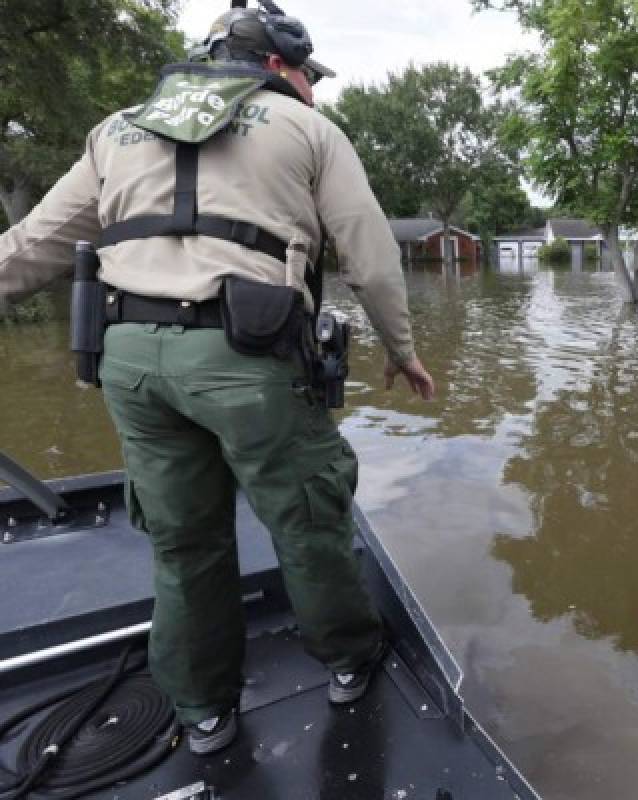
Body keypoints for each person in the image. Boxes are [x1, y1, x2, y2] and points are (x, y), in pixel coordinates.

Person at [0, 3, 435, 755]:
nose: (313, 88)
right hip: (249, 355)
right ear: (276, 65)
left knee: (183, 542)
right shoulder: (309, 128)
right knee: (307, 519)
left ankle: (203, 713)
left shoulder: (118, 129)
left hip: (130, 361)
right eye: (308, 73)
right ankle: (349, 662)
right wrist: (401, 348)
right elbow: (369, 255)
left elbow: (33, 244)